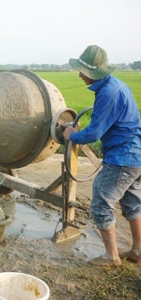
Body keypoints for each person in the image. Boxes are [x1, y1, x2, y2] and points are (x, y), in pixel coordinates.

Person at [63, 45, 141, 266]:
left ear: (92, 73)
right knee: (133, 203)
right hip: (136, 155)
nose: (79, 75)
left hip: (122, 158)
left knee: (101, 201)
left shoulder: (108, 93)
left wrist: (72, 135)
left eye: (82, 71)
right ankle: (138, 250)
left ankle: (111, 256)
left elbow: (95, 132)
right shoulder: (117, 86)